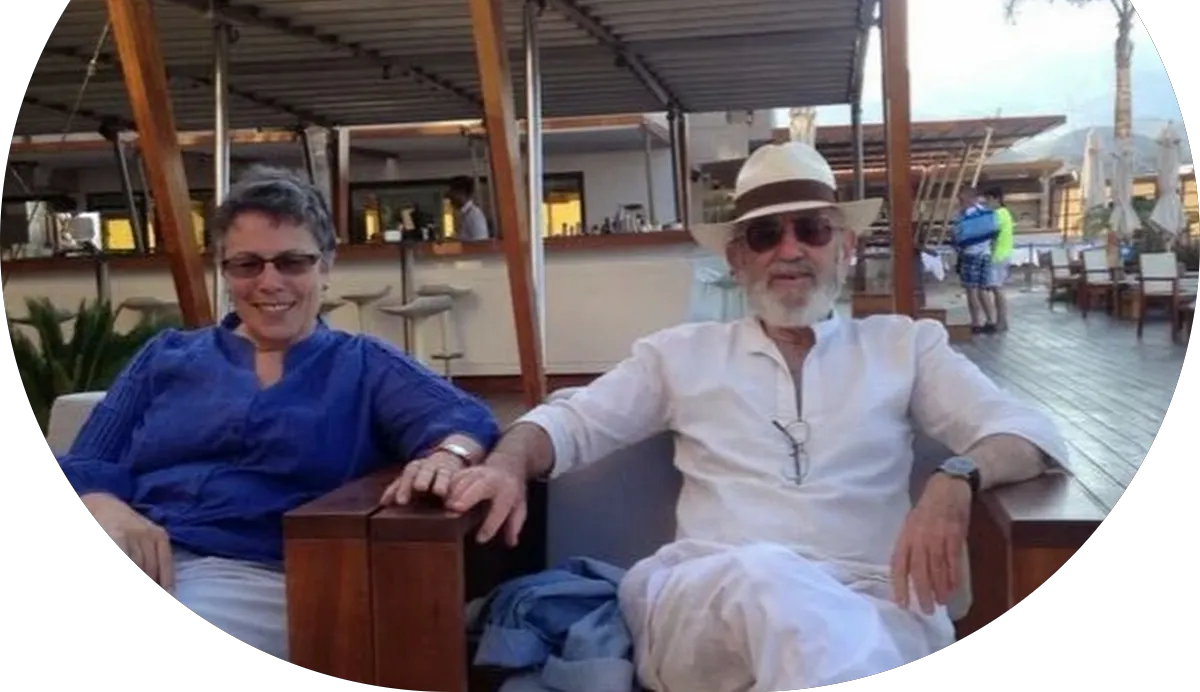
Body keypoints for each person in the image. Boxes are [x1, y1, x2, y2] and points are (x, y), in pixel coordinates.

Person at [405, 142, 1070, 690]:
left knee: (822, 627)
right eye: (765, 234)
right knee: (767, 577)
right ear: (737, 257)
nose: (790, 249)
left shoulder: (906, 346)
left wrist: (956, 478)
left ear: (844, 246)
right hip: (704, 606)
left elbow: (1028, 433)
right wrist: (506, 463)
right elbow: (568, 423)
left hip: (875, 604)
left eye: (812, 229)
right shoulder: (679, 354)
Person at [56, 165, 501, 662]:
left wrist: (448, 455)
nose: (270, 282)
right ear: (225, 272)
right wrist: (107, 507)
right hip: (138, 544)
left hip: (255, 575)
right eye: (247, 264)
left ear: (325, 266)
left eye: (292, 262)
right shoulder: (167, 355)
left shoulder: (362, 364)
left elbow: (467, 418)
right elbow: (89, 459)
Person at [951, 186, 999, 334]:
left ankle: (976, 322)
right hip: (986, 255)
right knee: (983, 289)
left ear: (968, 199)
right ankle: (991, 321)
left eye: (961, 199)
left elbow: (958, 237)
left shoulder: (964, 216)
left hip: (970, 255)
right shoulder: (988, 213)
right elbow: (994, 233)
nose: (960, 202)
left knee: (971, 289)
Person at [982, 186, 1015, 331]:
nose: (986, 202)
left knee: (997, 288)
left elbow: (990, 233)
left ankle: (1001, 321)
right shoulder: (1005, 213)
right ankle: (1002, 321)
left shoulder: (998, 214)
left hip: (997, 255)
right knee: (997, 288)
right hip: (1004, 253)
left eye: (988, 199)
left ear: (997, 199)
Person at [446, 175, 491, 241]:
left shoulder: (474, 215)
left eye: (452, 192)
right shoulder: (464, 214)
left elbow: (480, 243)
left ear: (461, 192)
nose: (450, 196)